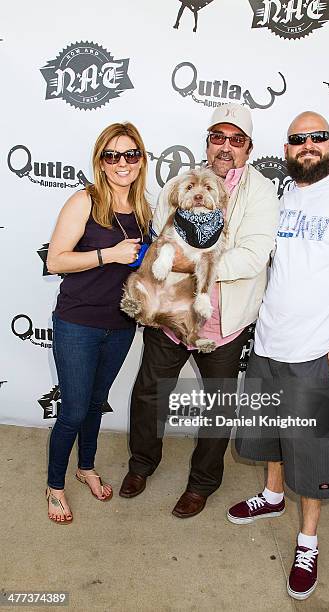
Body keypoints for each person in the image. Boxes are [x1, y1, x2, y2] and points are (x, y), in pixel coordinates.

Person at [228, 111, 329, 599]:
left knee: (313, 455)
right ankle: (273, 496)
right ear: (288, 149)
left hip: (316, 354)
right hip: (269, 343)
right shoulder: (286, 197)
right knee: (269, 436)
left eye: (317, 137)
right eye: (298, 140)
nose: (308, 146)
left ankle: (307, 541)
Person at [119, 103, 280, 518]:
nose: (226, 146)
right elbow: (160, 234)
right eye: (218, 137)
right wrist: (170, 261)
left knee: (219, 405)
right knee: (149, 393)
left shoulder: (259, 190)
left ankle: (202, 483)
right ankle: (142, 464)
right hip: (171, 314)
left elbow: (254, 255)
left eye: (236, 140)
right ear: (208, 141)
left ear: (249, 147)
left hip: (224, 321)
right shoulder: (182, 180)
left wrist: (196, 264)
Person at [45, 122, 151, 523]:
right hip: (78, 323)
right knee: (72, 411)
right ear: (101, 163)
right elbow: (56, 261)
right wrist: (109, 254)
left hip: (121, 325)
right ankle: (55, 486)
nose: (122, 163)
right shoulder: (84, 201)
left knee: (94, 404)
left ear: (141, 161)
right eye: (112, 156)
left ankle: (85, 467)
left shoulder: (143, 209)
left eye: (130, 154)